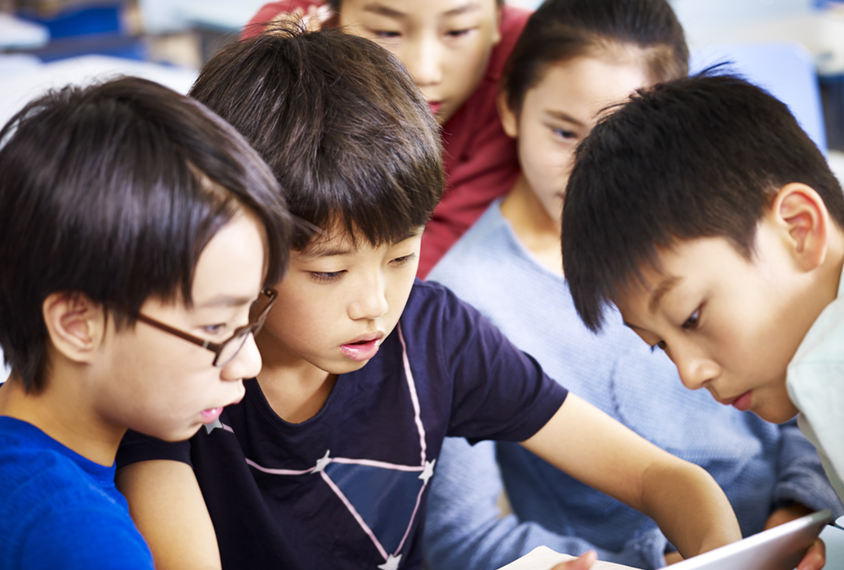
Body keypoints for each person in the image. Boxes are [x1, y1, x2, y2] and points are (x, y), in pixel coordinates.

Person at [113, 28, 743, 570]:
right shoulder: (182, 378)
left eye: (400, 257)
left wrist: (720, 555)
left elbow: (662, 478)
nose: (376, 305)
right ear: (233, 246)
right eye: (330, 272)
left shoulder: (436, 334)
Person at [423, 2, 842, 570]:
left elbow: (794, 394)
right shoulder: (464, 304)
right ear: (513, 107)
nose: (588, 169)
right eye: (564, 131)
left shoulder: (762, 269)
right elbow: (461, 539)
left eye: (691, 318)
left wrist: (794, 514)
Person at [0, 77, 293, 569]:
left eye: (250, 318)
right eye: (217, 329)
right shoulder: (83, 539)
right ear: (78, 325)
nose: (249, 361)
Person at [561, 70, 844, 525]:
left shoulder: (829, 370)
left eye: (690, 317)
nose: (690, 374)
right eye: (662, 345)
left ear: (798, 228)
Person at [243, 0, 529, 277]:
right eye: (387, 31)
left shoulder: (527, 58)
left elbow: (451, 239)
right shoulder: (286, 33)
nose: (423, 71)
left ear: (497, 20)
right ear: (334, 19)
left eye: (457, 31)